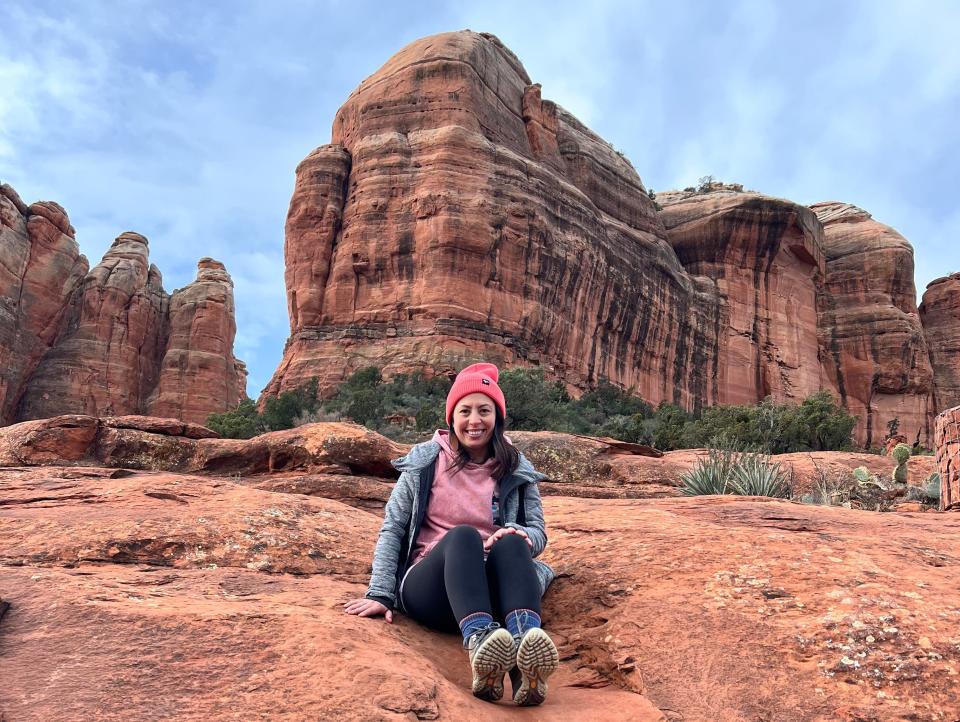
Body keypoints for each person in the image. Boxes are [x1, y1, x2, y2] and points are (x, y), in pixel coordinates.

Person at [344, 362, 558, 706]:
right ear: (452, 417)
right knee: (463, 536)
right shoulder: (425, 463)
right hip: (433, 588)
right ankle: (481, 644)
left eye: (484, 410)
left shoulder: (517, 468)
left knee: (514, 540)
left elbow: (539, 534)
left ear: (497, 417)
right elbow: (394, 528)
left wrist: (519, 533)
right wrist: (381, 594)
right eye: (465, 411)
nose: (475, 421)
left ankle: (523, 655)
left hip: (492, 589)